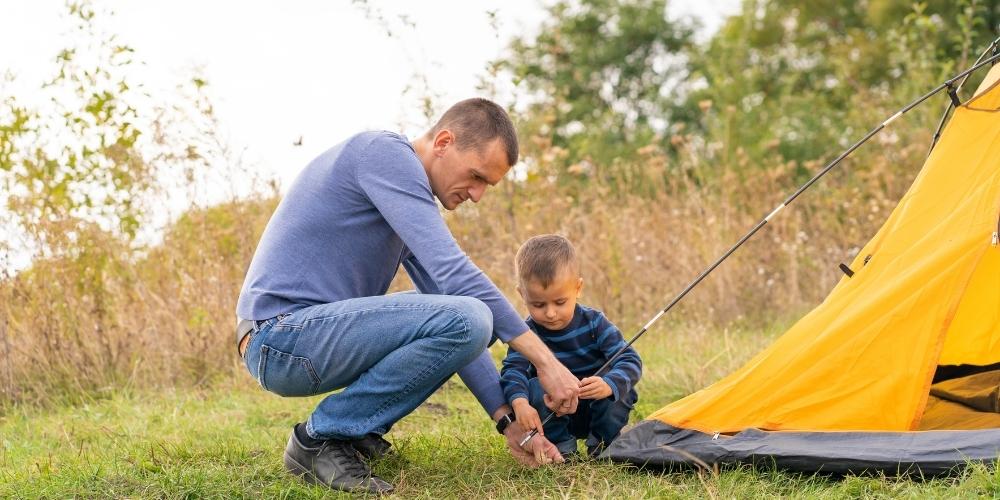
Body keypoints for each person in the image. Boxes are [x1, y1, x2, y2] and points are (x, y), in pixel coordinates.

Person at [235, 98, 580, 494]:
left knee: (463, 320)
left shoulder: (406, 202)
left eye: (488, 185)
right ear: (444, 142)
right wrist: (545, 361)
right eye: (476, 176)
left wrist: (508, 422)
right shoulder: (382, 154)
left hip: (300, 340)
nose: (478, 195)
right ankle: (320, 439)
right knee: (469, 315)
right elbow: (457, 279)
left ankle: (358, 430)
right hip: (279, 337)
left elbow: (458, 328)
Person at [500, 234, 642, 459]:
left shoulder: (594, 323)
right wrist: (519, 403)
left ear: (577, 288)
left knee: (618, 386)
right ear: (521, 294)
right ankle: (562, 449)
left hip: (595, 406)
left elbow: (631, 361)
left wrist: (608, 384)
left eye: (560, 302)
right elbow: (512, 371)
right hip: (553, 412)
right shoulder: (526, 334)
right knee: (534, 385)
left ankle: (604, 447)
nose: (550, 313)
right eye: (538, 304)